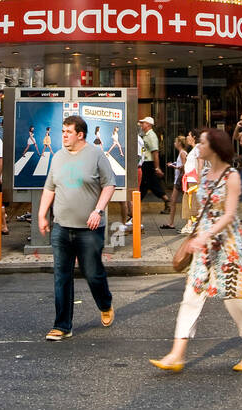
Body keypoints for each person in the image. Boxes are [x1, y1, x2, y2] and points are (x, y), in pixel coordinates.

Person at [149, 128, 242, 372]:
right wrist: (196, 233)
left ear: (214, 147)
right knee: (191, 296)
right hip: (203, 245)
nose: (198, 146)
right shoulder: (204, 174)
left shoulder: (232, 176)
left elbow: (228, 215)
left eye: (202, 143)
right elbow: (200, 208)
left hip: (227, 246)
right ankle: (176, 354)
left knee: (236, 299)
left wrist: (204, 234)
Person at [38, 115, 116, 340]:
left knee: (92, 273)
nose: (63, 135)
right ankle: (62, 325)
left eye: (67, 132)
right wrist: (43, 214)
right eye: (62, 131)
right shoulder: (58, 157)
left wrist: (98, 210)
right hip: (61, 227)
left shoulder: (96, 155)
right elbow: (50, 188)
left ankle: (105, 303)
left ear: (80, 134)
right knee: (61, 276)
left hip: (89, 229)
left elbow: (109, 185)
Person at [134, 115, 167, 220]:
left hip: (149, 163)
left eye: (143, 123)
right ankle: (136, 206)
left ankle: (135, 207)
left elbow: (155, 152)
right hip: (146, 163)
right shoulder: (146, 135)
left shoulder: (151, 136)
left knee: (146, 184)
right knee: (149, 184)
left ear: (148, 125)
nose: (141, 125)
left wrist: (157, 167)